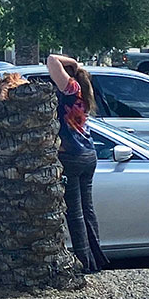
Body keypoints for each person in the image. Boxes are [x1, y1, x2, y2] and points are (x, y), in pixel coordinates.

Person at [47, 53, 109, 273]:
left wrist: (72, 63)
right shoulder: (84, 91)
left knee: (75, 213)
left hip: (71, 156)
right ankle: (96, 258)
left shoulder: (71, 88)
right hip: (88, 154)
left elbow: (51, 59)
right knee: (87, 209)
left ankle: (85, 262)